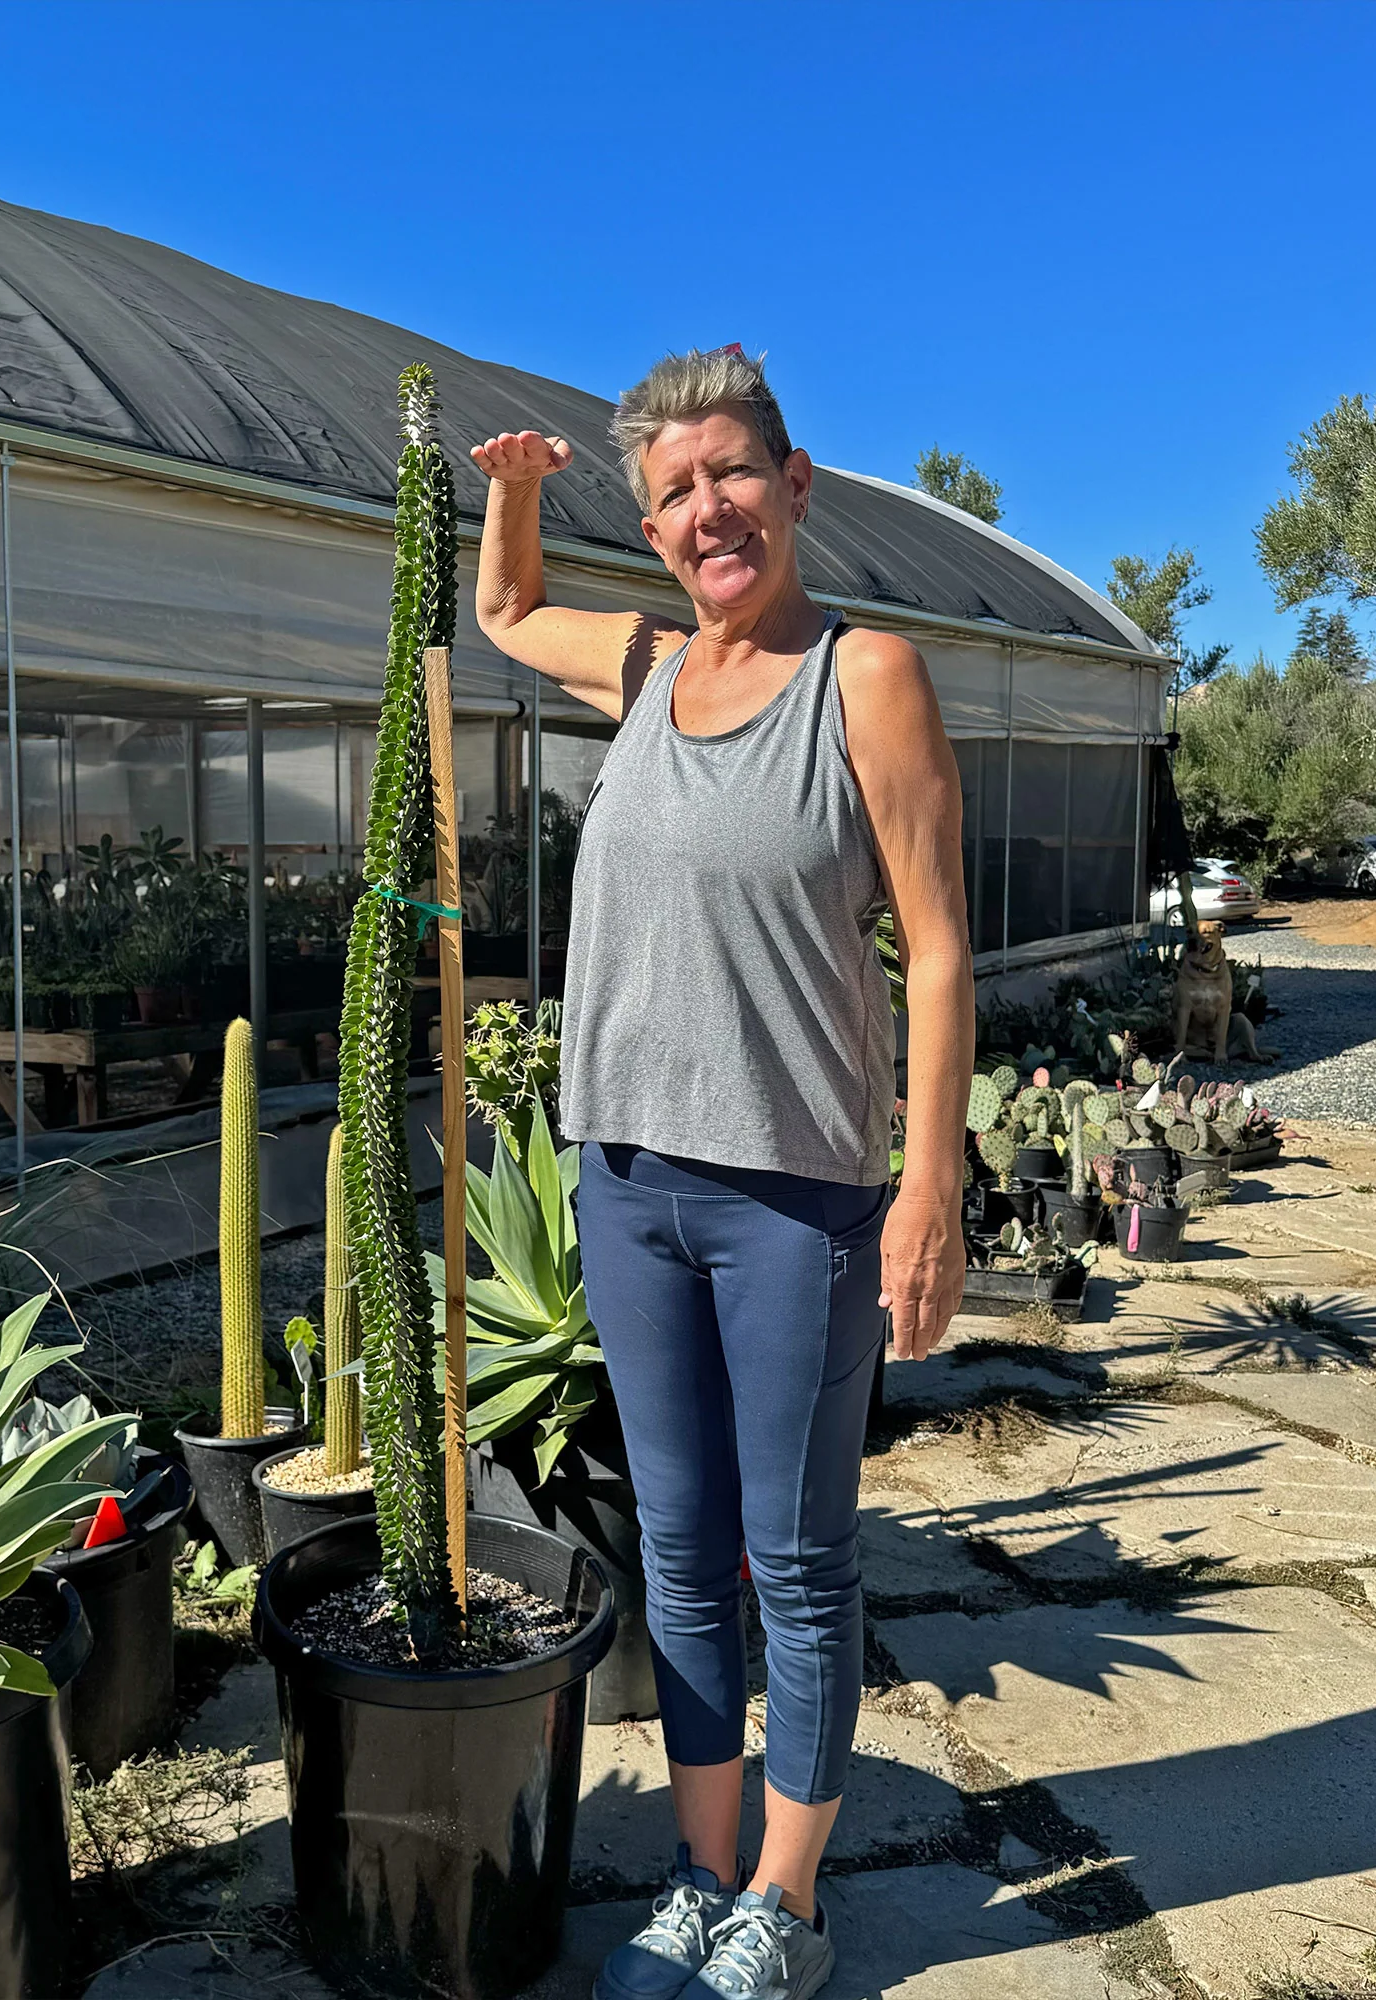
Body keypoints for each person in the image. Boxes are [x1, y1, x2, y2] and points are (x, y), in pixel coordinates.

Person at [471, 348, 973, 2000]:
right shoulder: (646, 667)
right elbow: (503, 612)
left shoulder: (864, 678)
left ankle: (789, 1902)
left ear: (794, 481)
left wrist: (927, 1189)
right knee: (678, 1553)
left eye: (732, 473)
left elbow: (939, 948)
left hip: (796, 1202)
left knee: (800, 1565)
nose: (709, 511)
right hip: (624, 1183)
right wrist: (514, 495)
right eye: (676, 493)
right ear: (656, 531)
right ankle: (701, 1874)